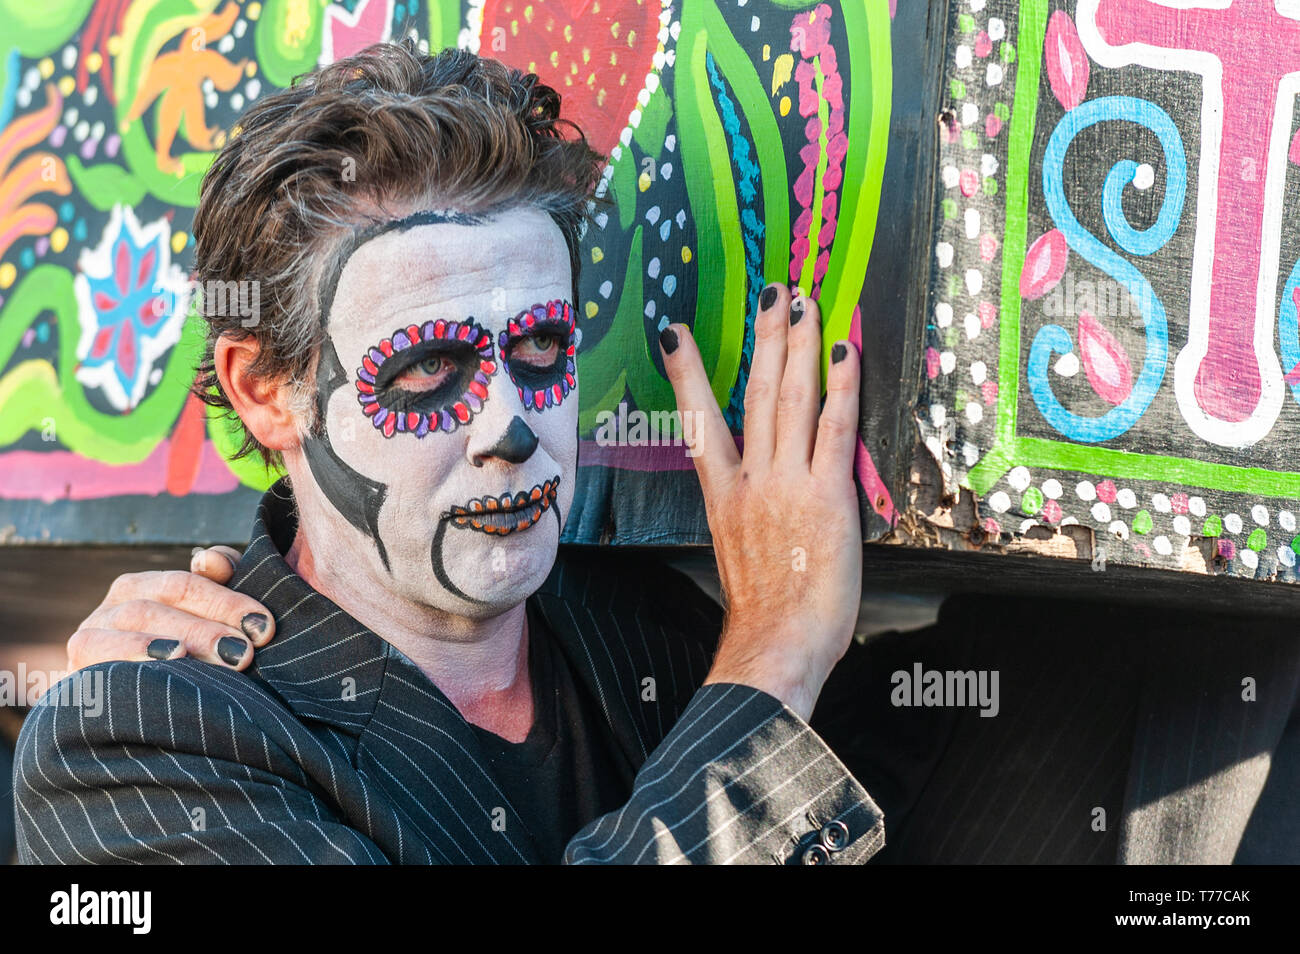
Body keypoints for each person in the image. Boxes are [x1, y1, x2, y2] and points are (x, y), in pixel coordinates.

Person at [12, 41, 881, 865]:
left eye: (540, 347)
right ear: (266, 391)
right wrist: (771, 658)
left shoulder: (661, 638)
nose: (508, 426)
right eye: (429, 364)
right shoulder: (135, 744)